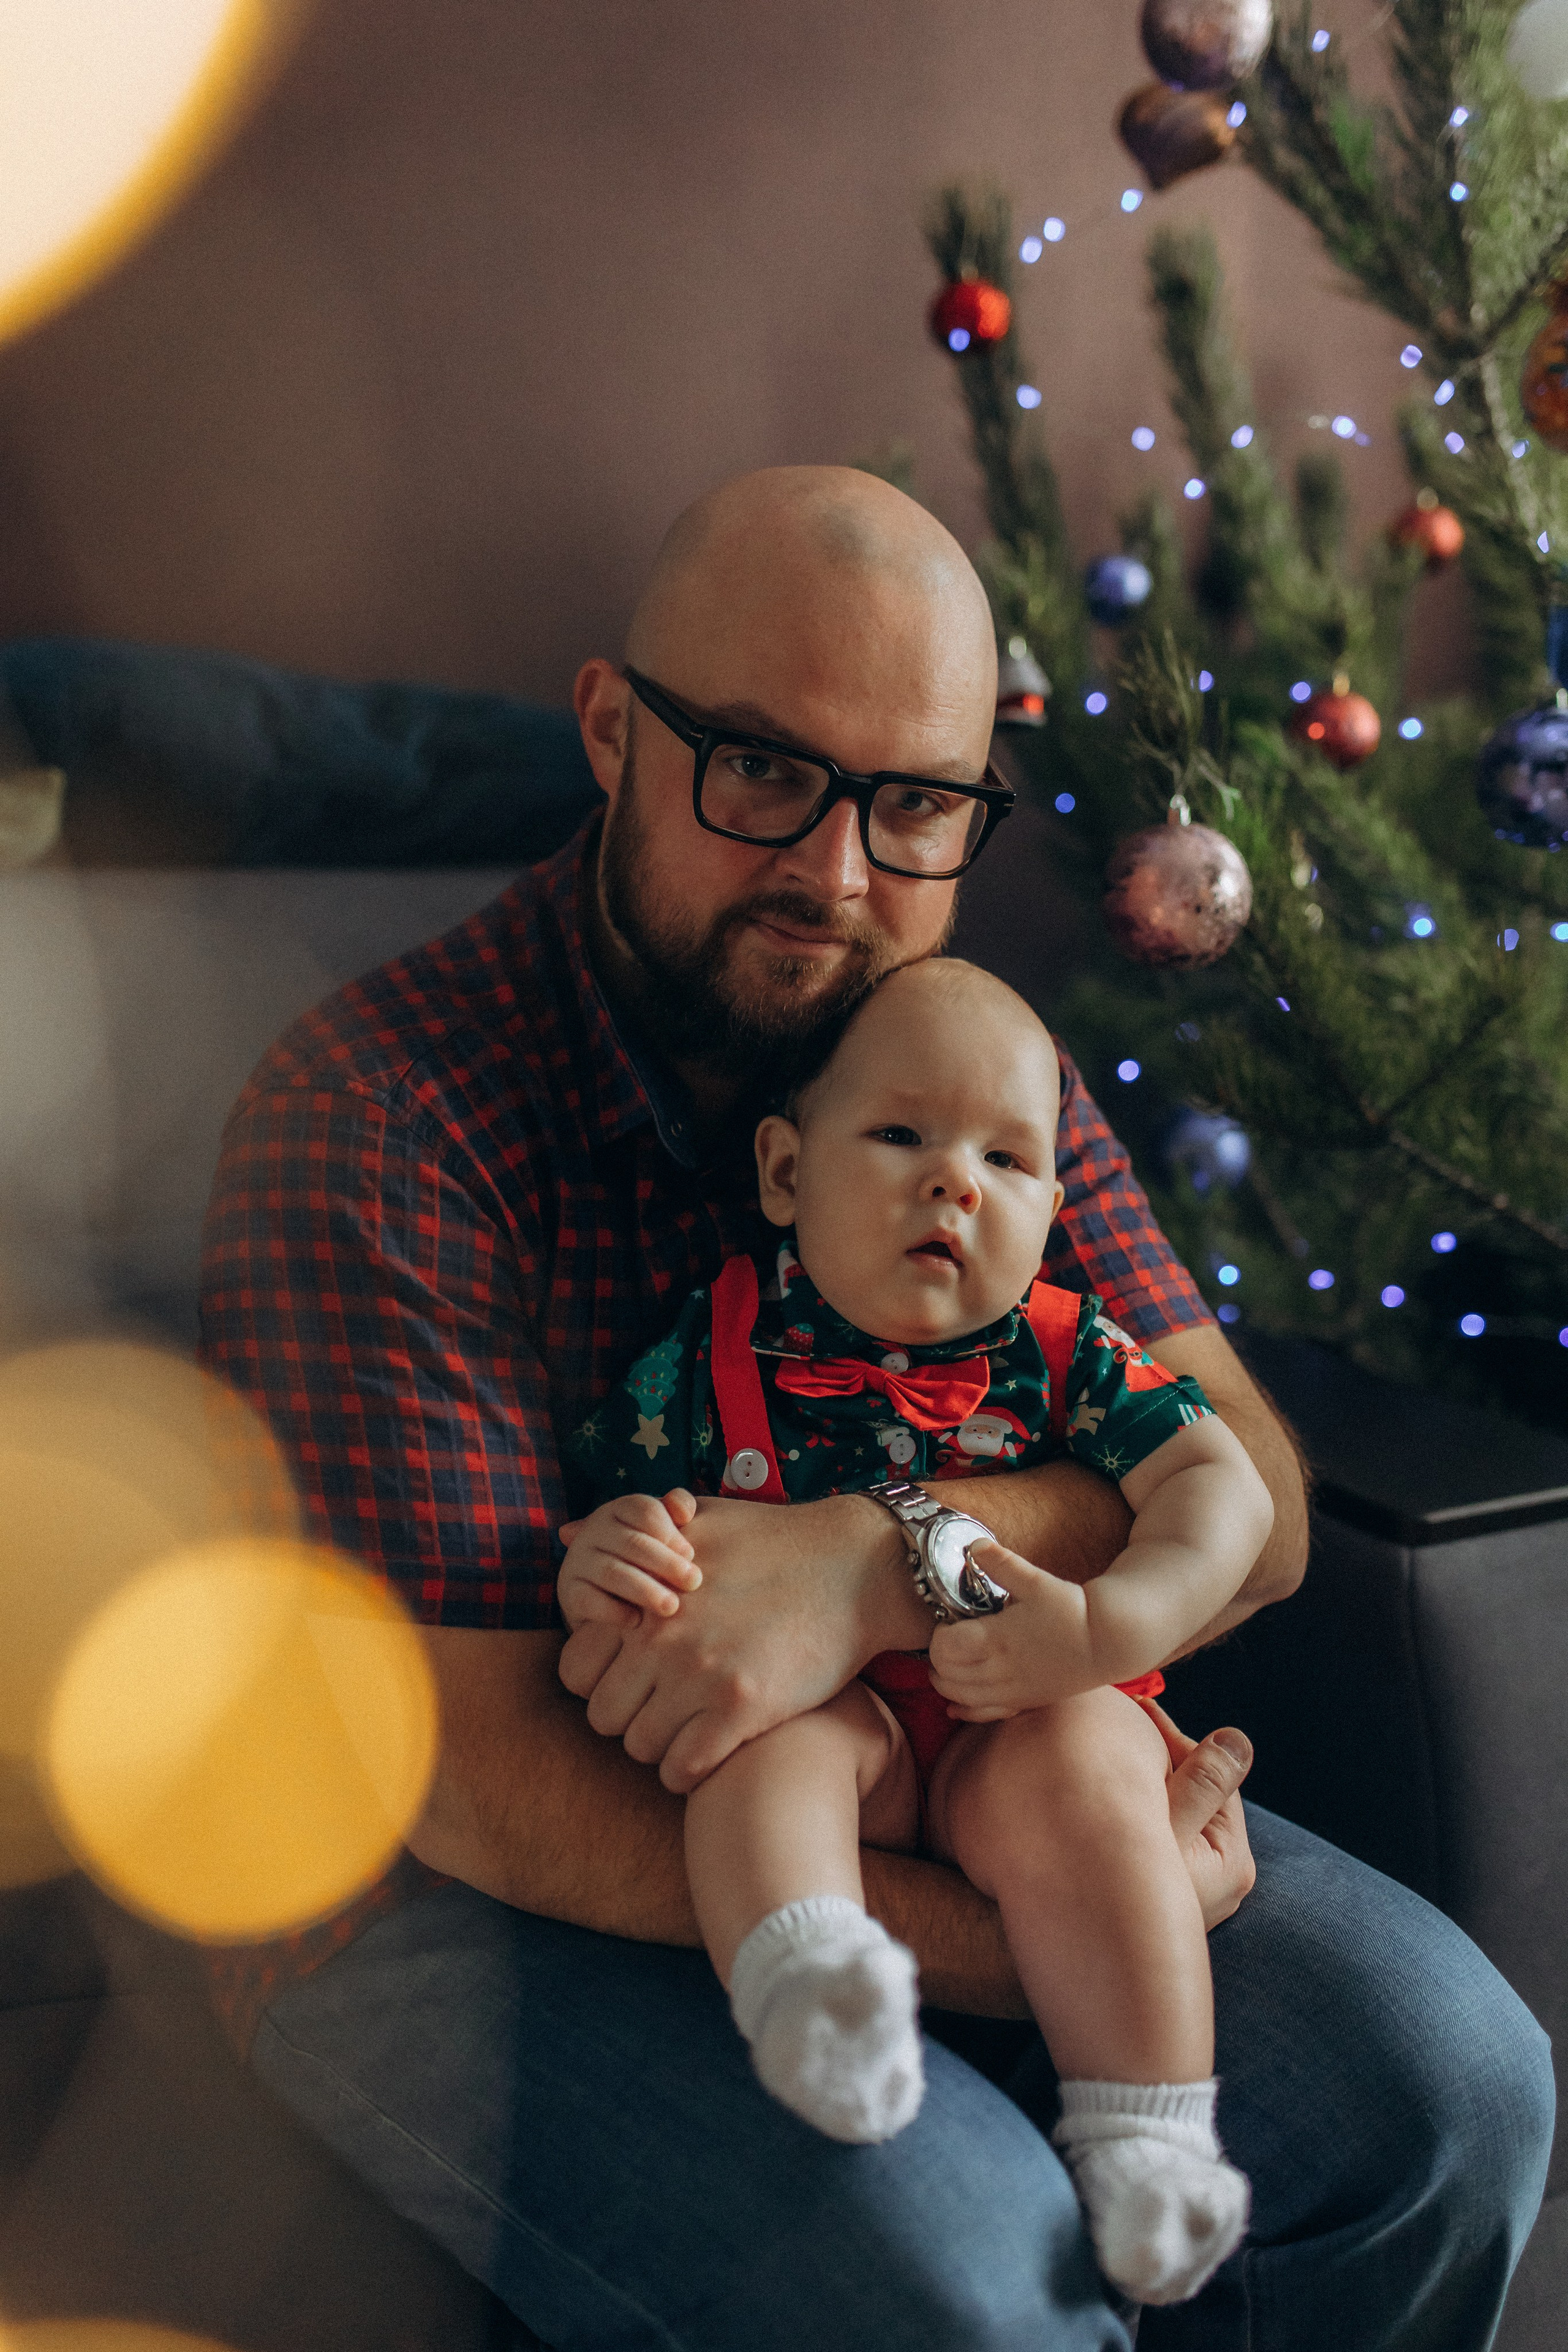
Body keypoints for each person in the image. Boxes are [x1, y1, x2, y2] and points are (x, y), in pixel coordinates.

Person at [200, 465, 1553, 2351]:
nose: (836, 877)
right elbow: (469, 1778)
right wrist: (1066, 1932)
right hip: (438, 1894)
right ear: (612, 731)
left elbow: (1249, 1484)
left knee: (1454, 2088)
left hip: (964, 1756)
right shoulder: (377, 1118)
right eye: (760, 768)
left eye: (913, 803)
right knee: (973, 2290)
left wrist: (878, 1564)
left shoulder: (960, 1058)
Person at [561, 956, 1274, 2304]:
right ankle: (810, 1983)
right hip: (856, 1741)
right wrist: (599, 1558)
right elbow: (614, 1517)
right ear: (783, 1172)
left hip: (1026, 1709)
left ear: (1051, 1211)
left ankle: (1152, 2138)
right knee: (765, 1754)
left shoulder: (1071, 1358)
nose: (955, 1182)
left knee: (1083, 1774)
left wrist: (1112, 1622)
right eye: (900, 1136)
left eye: (1004, 1160)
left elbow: (1224, 1488)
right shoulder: (701, 1361)